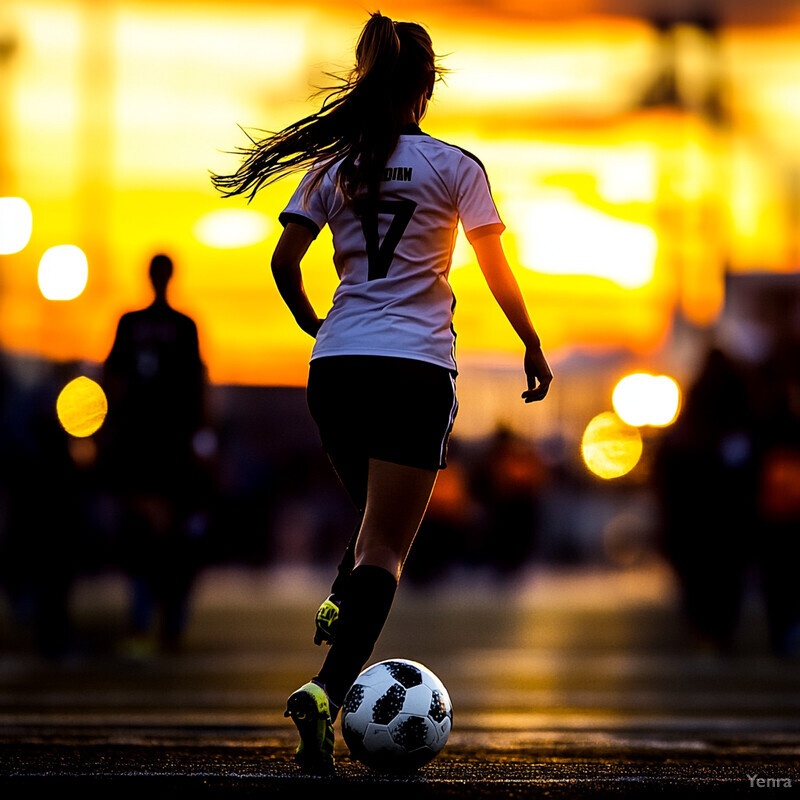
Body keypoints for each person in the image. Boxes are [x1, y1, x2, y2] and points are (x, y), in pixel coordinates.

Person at [212, 12, 552, 773]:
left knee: (369, 532)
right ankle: (328, 690)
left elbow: (283, 261)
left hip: (336, 368)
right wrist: (530, 341)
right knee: (388, 550)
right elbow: (495, 268)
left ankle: (340, 604)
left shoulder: (332, 168)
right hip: (413, 370)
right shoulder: (454, 165)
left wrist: (316, 325)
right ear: (426, 87)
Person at [102, 254, 208, 654]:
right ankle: (157, 616)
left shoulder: (144, 323)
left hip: (154, 443)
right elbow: (199, 384)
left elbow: (111, 380)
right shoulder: (174, 325)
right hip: (160, 443)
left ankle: (154, 616)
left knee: (157, 533)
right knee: (159, 533)